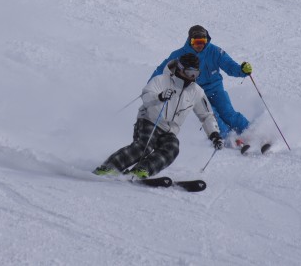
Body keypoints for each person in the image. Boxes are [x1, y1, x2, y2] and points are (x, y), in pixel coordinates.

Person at [93, 54, 222, 179]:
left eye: (196, 73)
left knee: (172, 148)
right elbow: (146, 96)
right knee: (145, 146)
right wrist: (159, 97)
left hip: (169, 130)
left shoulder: (197, 91)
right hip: (149, 120)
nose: (192, 77)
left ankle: (141, 170)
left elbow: (207, 115)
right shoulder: (161, 80)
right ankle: (109, 167)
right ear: (180, 68)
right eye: (189, 72)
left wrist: (214, 134)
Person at [151, 25, 252, 143]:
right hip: (197, 93)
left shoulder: (214, 51)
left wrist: (242, 70)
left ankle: (250, 131)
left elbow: (229, 65)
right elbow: (161, 70)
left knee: (228, 112)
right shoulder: (179, 55)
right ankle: (230, 138)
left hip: (216, 89)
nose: (199, 45)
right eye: (196, 42)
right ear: (190, 41)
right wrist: (153, 87)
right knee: (212, 116)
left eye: (202, 42)